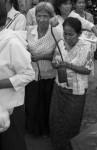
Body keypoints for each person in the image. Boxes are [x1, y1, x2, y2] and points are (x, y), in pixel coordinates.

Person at [50, 17, 94, 150]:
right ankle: (57, 144)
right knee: (56, 118)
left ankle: (69, 146)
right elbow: (54, 61)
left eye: (71, 34)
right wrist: (55, 64)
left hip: (76, 92)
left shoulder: (87, 47)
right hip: (59, 87)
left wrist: (69, 65)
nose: (67, 37)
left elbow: (87, 70)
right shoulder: (60, 43)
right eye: (65, 33)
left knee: (71, 122)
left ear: (79, 34)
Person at [0, 1, 35, 150]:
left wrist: (1, 83)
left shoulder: (12, 43)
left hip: (11, 108)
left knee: (12, 144)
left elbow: (28, 74)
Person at [25, 2, 63, 137]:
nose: (41, 19)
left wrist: (42, 56)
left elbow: (62, 54)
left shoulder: (56, 32)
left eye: (45, 16)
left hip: (49, 76)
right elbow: (21, 47)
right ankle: (32, 129)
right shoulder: (29, 30)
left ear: (51, 17)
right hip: (31, 75)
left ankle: (45, 130)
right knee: (32, 104)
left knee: (45, 105)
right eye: (38, 16)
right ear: (35, 16)